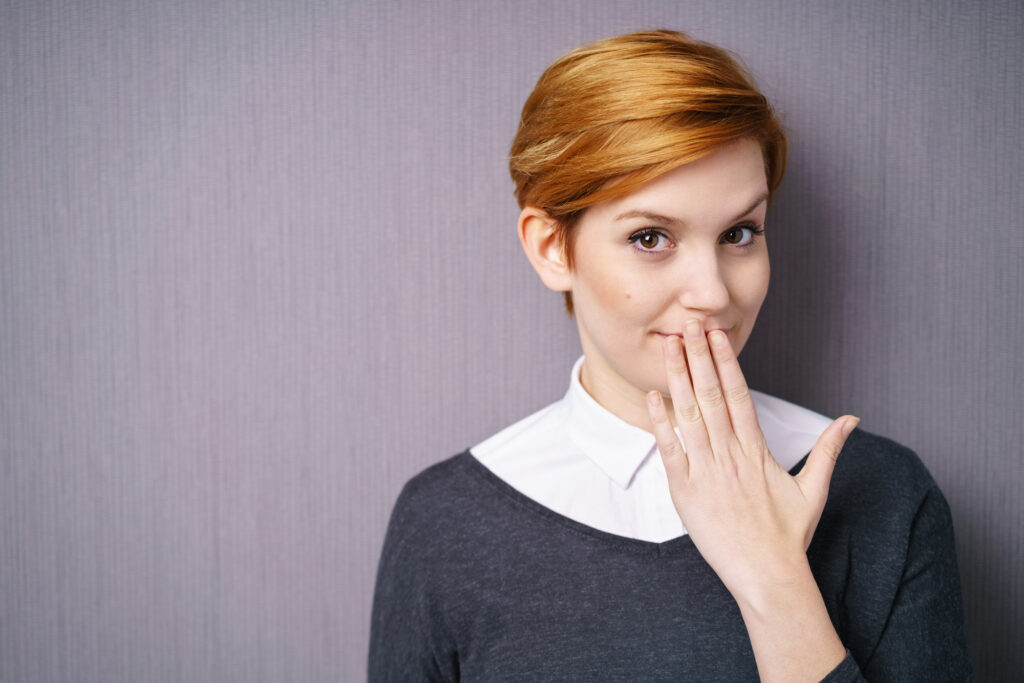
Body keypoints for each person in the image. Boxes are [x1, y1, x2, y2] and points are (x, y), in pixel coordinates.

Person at [368, 30, 970, 681]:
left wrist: (775, 584)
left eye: (740, 233)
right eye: (650, 237)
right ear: (552, 248)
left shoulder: (883, 495)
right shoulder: (445, 525)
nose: (713, 293)